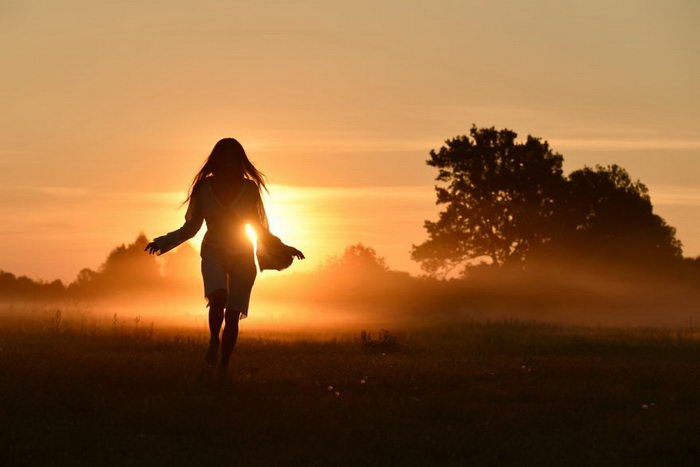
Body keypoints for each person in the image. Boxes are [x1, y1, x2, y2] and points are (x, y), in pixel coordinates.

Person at [144, 138, 304, 375]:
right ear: (217, 160)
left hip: (242, 255)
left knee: (232, 314)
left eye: (233, 158)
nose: (229, 163)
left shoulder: (250, 189)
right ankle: (213, 341)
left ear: (240, 161)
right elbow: (191, 227)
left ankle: (224, 365)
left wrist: (283, 247)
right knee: (218, 296)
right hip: (213, 252)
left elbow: (259, 228)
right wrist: (163, 242)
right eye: (224, 158)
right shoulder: (204, 188)